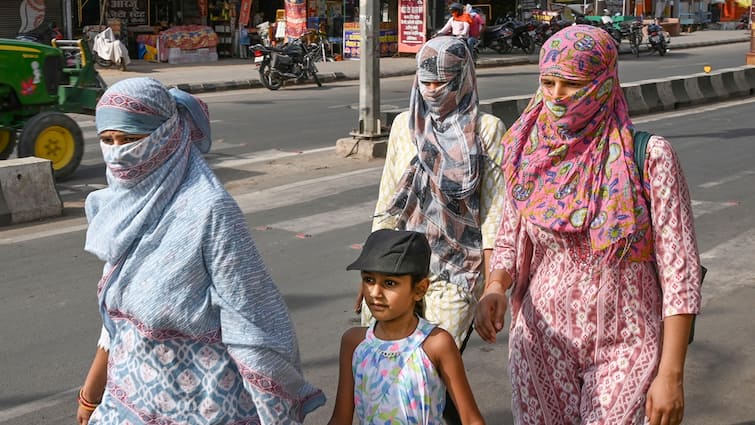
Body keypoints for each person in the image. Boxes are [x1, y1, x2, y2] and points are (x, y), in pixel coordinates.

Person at [474, 25, 703, 425]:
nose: (558, 96)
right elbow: (509, 236)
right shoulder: (528, 153)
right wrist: (495, 286)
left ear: (602, 84)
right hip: (540, 343)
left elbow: (680, 272)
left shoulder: (650, 158)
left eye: (572, 84)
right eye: (548, 82)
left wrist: (671, 374)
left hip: (629, 342)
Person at [76, 77, 325, 425]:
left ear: (165, 137)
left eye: (131, 140)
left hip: (203, 409)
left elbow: (252, 325)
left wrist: (275, 413)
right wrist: (91, 394)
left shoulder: (209, 210)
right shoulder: (118, 210)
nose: (118, 154)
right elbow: (116, 320)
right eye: (108, 141)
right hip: (126, 404)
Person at [357, 35, 506, 424]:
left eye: (443, 80)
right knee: (386, 366)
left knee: (430, 362)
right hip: (397, 267)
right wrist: (370, 274)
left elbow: (493, 215)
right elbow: (387, 203)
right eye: (426, 81)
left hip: (457, 270)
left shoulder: (486, 130)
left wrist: (493, 287)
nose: (433, 89)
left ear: (463, 79)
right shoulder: (404, 128)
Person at [329, 229, 486, 425]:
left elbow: (471, 419)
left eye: (389, 283)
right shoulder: (354, 342)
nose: (375, 292)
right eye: (369, 280)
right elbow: (340, 419)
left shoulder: (436, 344)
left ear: (419, 289)